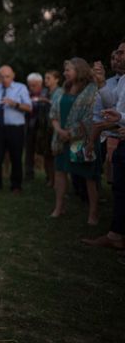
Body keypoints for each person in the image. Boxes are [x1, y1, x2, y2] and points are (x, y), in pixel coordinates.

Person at [83, 39, 125, 250]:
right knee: (119, 188)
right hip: (120, 140)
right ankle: (115, 234)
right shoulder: (122, 80)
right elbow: (113, 107)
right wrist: (100, 83)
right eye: (117, 53)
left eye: (121, 52)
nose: (118, 56)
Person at [49, 58, 100, 224]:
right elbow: (54, 113)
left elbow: (90, 118)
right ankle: (59, 207)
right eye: (64, 70)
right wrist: (59, 131)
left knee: (89, 177)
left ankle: (93, 214)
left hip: (82, 140)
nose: (65, 73)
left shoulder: (90, 90)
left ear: (79, 70)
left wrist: (71, 133)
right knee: (60, 172)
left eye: (68, 70)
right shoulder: (64, 88)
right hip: (61, 138)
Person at [0, 65, 32, 193]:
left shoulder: (21, 88)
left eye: (7, 76)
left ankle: (16, 186)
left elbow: (29, 107)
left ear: (13, 75)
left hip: (15, 128)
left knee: (16, 157)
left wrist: (14, 104)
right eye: (2, 76)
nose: (4, 79)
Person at [24, 72, 49, 181]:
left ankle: (49, 176)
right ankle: (29, 174)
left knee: (46, 152)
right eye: (30, 85)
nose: (31, 88)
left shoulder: (47, 93)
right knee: (29, 150)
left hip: (43, 127)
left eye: (34, 85)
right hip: (29, 126)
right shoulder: (25, 93)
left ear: (40, 84)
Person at [43, 70, 63, 186]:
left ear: (56, 79)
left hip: (55, 127)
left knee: (54, 154)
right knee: (47, 154)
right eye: (45, 78)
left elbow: (58, 107)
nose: (46, 81)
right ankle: (50, 178)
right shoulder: (45, 91)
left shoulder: (59, 91)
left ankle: (56, 180)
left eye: (48, 78)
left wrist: (46, 101)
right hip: (45, 126)